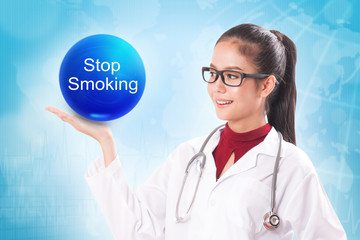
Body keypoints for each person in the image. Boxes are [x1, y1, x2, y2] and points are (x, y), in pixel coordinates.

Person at [46, 23, 347, 239]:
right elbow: (137, 232)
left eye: (232, 76)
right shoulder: (188, 156)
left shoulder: (291, 167)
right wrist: (106, 141)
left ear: (266, 85)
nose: (217, 86)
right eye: (213, 73)